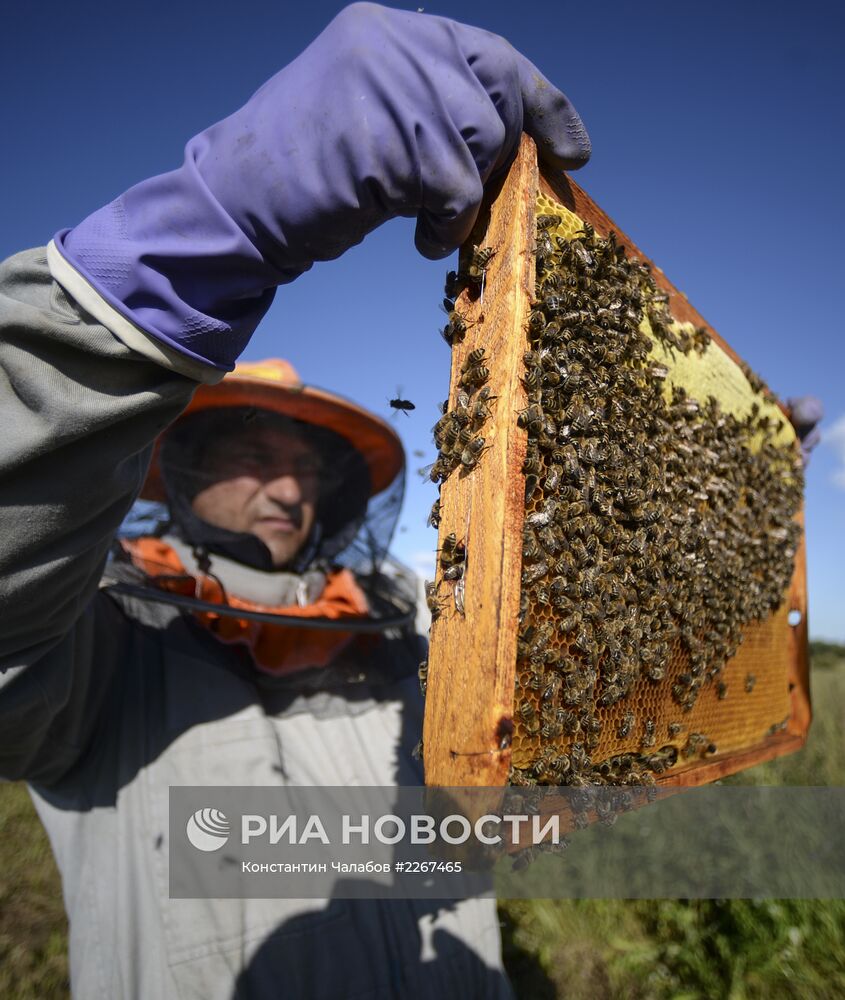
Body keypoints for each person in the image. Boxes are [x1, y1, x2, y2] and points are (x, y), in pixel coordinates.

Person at [0, 4, 821, 998]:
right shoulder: (93, 641)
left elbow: (542, 771)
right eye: (248, 451)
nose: (285, 480)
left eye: (307, 462)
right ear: (175, 470)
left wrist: (715, 515)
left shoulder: (402, 629)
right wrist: (191, 246)